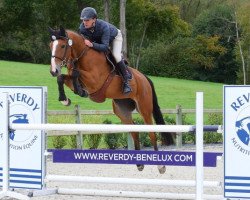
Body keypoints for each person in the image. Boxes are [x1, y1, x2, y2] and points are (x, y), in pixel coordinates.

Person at [79, 7, 132, 94]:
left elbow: (105, 47)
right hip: (100, 40)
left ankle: (126, 82)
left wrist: (92, 44)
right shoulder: (82, 28)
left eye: (87, 20)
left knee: (116, 55)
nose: (85, 22)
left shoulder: (103, 27)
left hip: (115, 37)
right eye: (83, 20)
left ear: (94, 19)